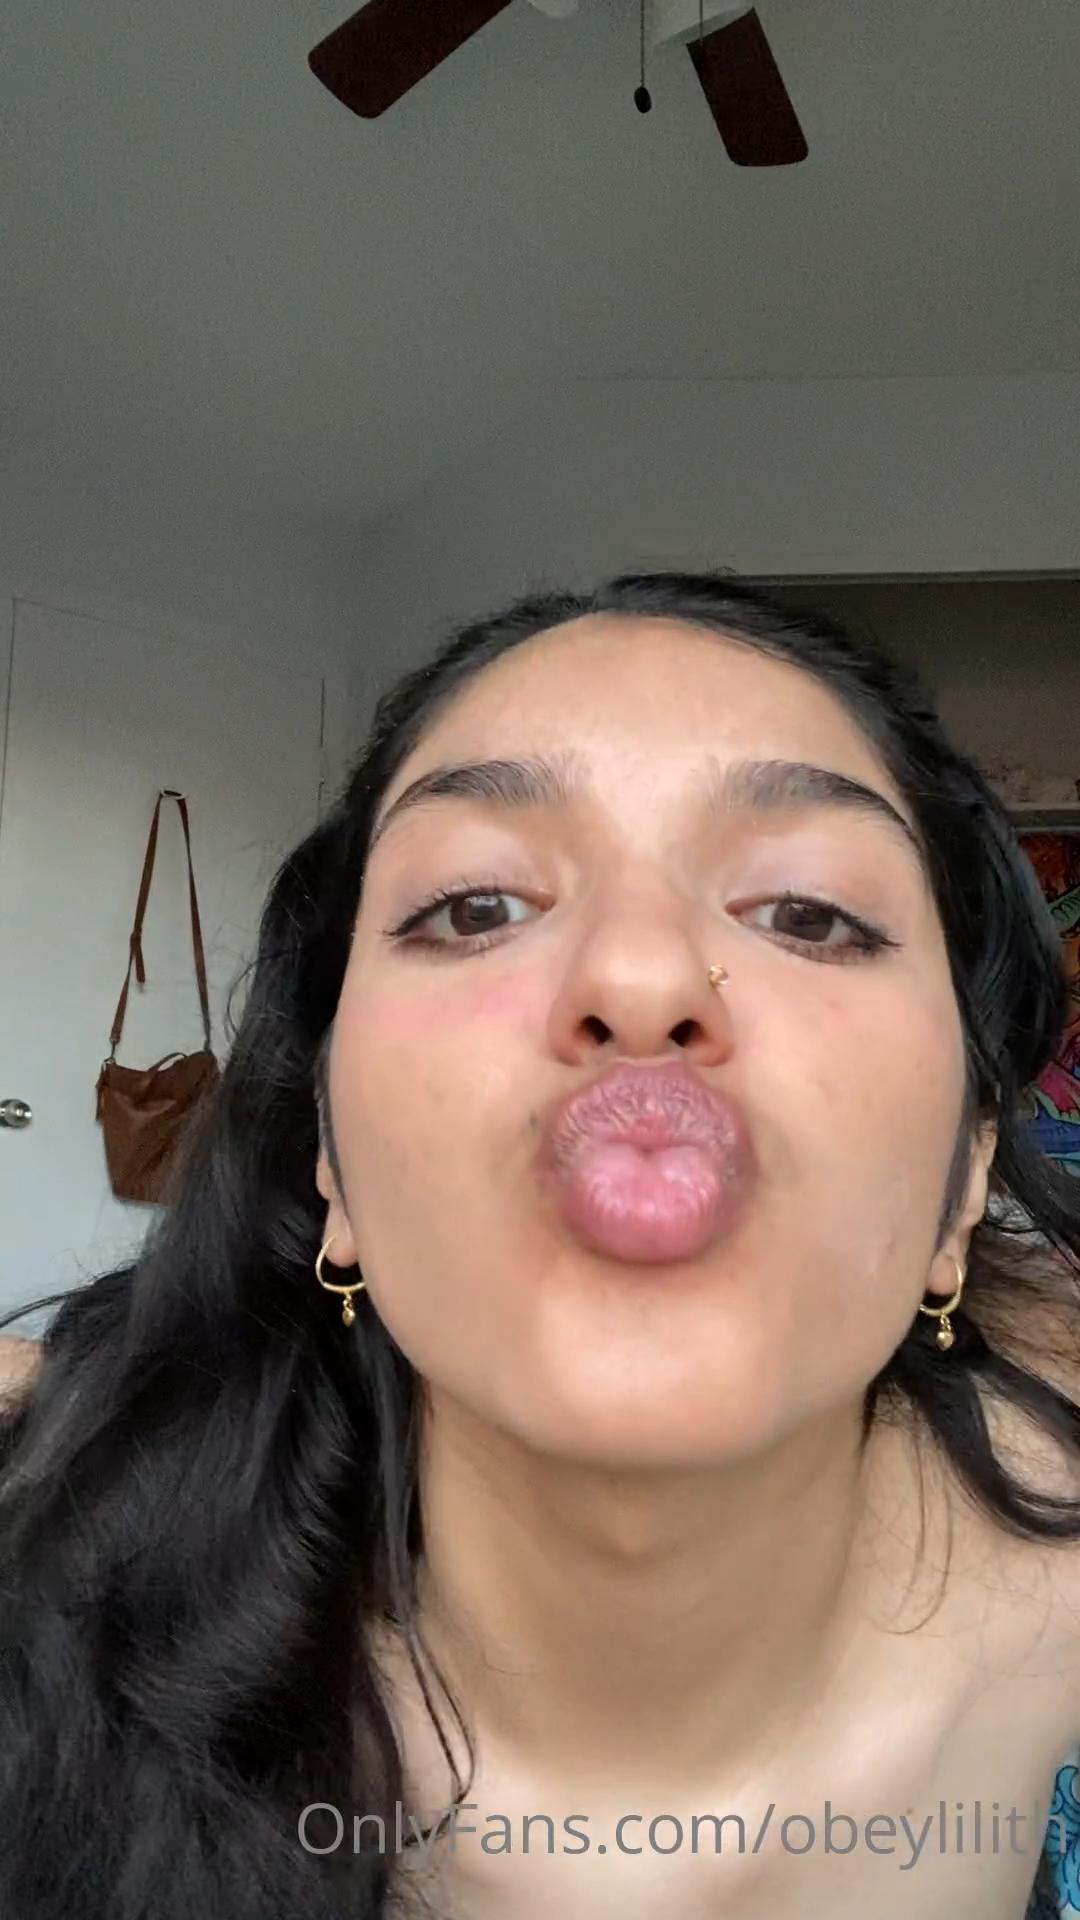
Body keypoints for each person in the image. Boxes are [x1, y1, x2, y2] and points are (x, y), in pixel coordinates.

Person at [1, 571, 1079, 1920]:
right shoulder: (54, 1586)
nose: (641, 976)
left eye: (808, 912)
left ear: (966, 1179)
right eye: (476, 907)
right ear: (332, 1160)